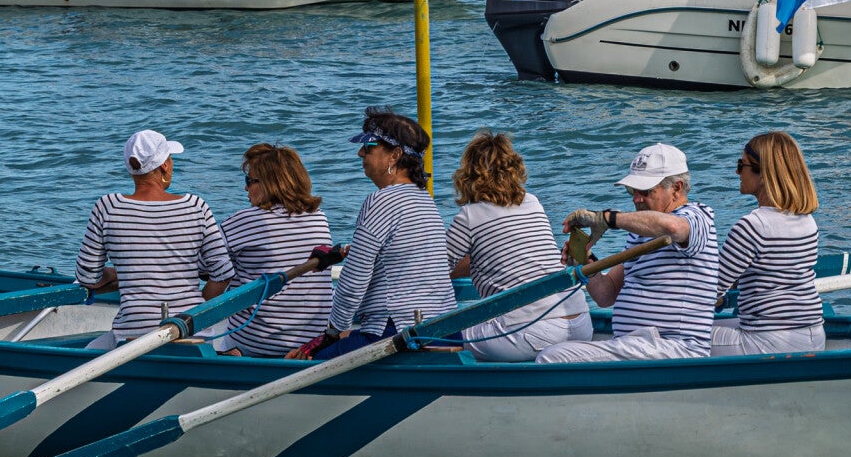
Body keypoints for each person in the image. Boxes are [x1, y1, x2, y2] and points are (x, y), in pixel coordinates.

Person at [536, 143, 722, 363]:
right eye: (632, 191)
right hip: (636, 345)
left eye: (645, 191)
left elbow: (674, 228)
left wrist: (608, 219)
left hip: (675, 347)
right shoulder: (640, 232)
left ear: (676, 188)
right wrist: (585, 262)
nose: (636, 199)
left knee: (552, 357)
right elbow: (606, 295)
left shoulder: (698, 216)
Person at [75, 129, 237, 346]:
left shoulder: (107, 206)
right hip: (190, 330)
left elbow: (87, 277)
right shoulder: (196, 207)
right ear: (165, 166)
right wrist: (194, 312)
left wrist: (121, 272)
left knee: (91, 350)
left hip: (132, 334)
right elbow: (223, 274)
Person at [448, 131, 591, 362]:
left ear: (468, 176)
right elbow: (501, 256)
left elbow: (435, 270)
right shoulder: (532, 201)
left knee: (442, 337)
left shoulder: (469, 216)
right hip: (581, 322)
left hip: (531, 333)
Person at [322, 109, 453, 345]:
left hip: (401, 333)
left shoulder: (380, 201)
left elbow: (353, 282)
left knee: (315, 356)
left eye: (369, 146)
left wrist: (332, 332)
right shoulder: (424, 199)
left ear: (395, 155)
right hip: (444, 328)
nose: (360, 152)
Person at [706, 132, 825, 356]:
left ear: (763, 174)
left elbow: (709, 291)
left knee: (677, 335)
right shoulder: (808, 221)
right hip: (814, 336)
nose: (737, 172)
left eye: (742, 165)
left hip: (767, 341)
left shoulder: (752, 226)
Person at [213, 144, 334, 356]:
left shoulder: (243, 221)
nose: (246, 188)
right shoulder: (319, 217)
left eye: (249, 181)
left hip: (259, 343)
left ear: (270, 184)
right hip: (312, 341)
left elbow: (209, 268)